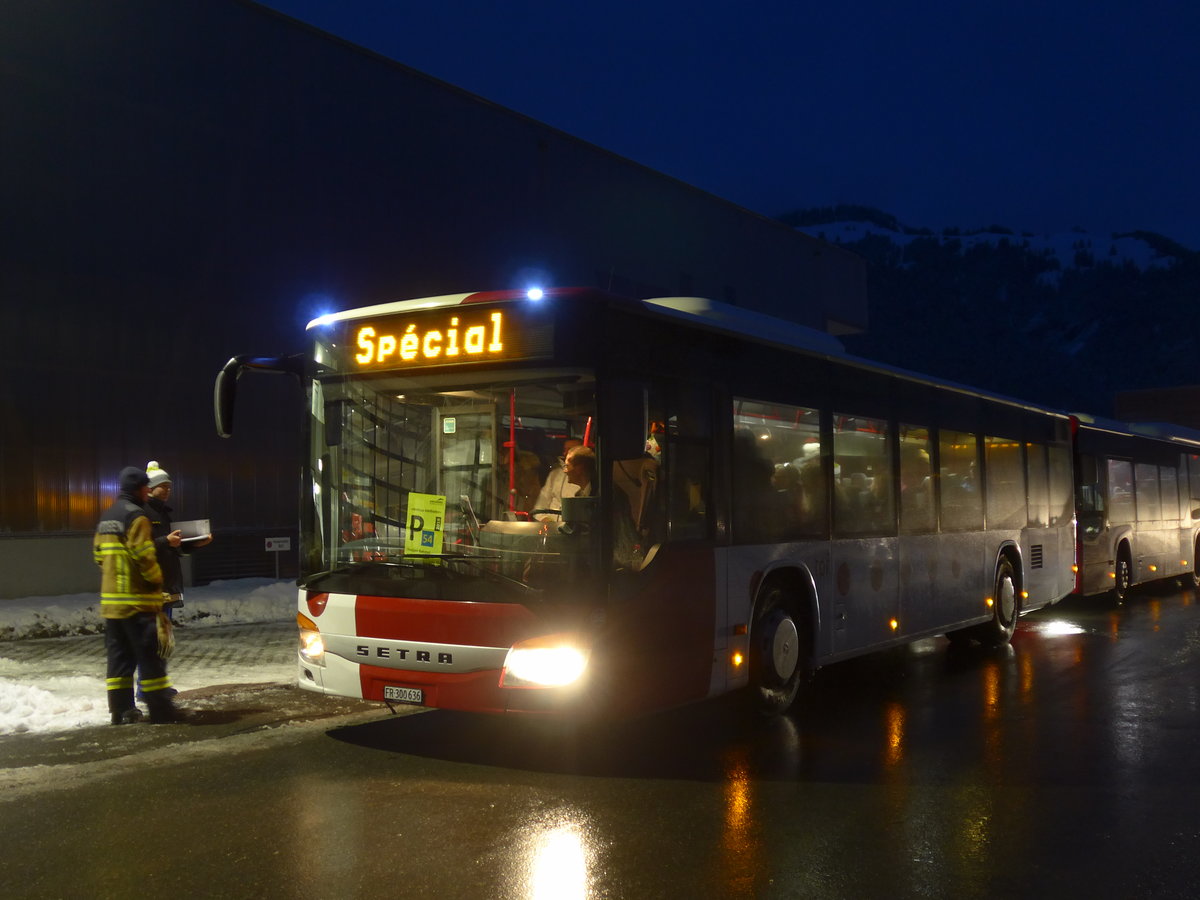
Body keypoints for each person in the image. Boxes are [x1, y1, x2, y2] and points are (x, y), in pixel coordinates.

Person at [93, 466, 181, 725]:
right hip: (137, 603)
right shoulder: (137, 517)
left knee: (119, 659)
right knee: (150, 656)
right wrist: (156, 586)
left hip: (112, 605)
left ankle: (121, 711)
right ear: (142, 489)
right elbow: (145, 557)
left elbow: (98, 556)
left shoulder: (107, 516)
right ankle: (161, 711)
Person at [144, 460, 212, 621]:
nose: (168, 490)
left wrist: (194, 544)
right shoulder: (142, 512)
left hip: (166, 585)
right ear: (150, 488)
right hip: (151, 585)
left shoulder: (163, 512)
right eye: (164, 486)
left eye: (169, 487)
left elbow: (171, 548)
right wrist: (166, 541)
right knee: (154, 636)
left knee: (163, 636)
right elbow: (139, 548)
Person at [534, 437, 581, 513]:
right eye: (564, 449)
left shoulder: (586, 476)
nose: (565, 453)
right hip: (550, 521)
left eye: (569, 449)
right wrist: (544, 518)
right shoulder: (555, 474)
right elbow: (541, 503)